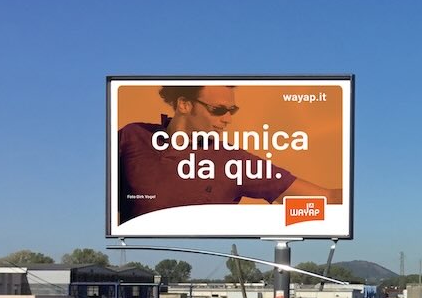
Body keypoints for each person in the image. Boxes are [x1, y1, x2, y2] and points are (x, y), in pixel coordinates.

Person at [117, 85, 340, 222]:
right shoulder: (132, 137)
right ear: (184, 105)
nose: (228, 119)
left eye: (232, 110)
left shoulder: (232, 161)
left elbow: (326, 198)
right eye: (218, 110)